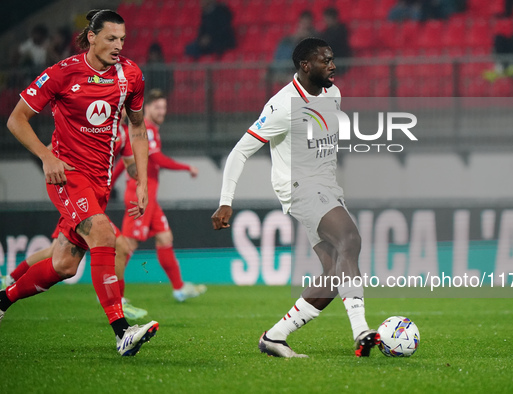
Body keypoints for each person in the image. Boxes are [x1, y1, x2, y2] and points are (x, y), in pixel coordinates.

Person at [2, 9, 158, 357]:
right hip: (65, 175)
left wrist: (143, 182)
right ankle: (122, 332)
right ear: (91, 37)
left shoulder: (131, 74)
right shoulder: (63, 72)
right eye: (110, 38)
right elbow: (16, 119)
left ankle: (2, 300)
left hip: (98, 183)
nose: (118, 46)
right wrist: (46, 156)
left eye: (122, 39)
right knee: (104, 234)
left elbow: (136, 128)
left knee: (64, 264)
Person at [212, 38, 378, 358]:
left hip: (327, 186)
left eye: (332, 59)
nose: (332, 65)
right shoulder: (282, 106)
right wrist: (226, 200)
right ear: (305, 66)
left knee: (333, 274)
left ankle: (275, 336)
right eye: (324, 60)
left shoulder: (333, 93)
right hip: (300, 186)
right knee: (350, 239)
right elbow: (240, 151)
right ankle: (360, 330)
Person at [1, 112, 148, 320]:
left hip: (93, 201)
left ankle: (7, 287)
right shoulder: (91, 126)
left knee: (60, 260)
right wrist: (52, 161)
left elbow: (131, 166)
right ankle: (118, 309)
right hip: (76, 195)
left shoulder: (123, 135)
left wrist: (143, 168)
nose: (125, 110)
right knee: (118, 245)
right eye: (123, 105)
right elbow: (53, 150)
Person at [120, 88, 206, 303]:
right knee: (128, 244)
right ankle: (112, 294)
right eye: (157, 107)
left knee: (164, 236)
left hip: (149, 197)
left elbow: (126, 161)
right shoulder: (146, 130)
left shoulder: (150, 131)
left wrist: (110, 180)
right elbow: (156, 158)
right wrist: (186, 167)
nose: (162, 111)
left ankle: (179, 289)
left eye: (164, 107)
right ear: (146, 108)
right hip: (140, 195)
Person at [270, 11, 318, 81]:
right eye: (303, 22)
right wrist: (296, 38)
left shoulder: (316, 36)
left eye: (307, 22)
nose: (305, 25)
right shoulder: (289, 39)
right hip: (288, 67)